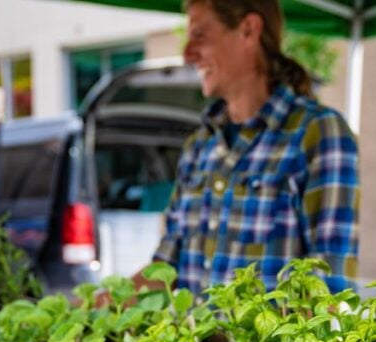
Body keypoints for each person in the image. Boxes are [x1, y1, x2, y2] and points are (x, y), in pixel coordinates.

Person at [122, 0, 359, 298]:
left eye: (199, 35)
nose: (187, 54)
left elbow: (330, 284)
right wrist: (91, 308)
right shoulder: (199, 146)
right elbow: (166, 267)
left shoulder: (317, 133)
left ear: (248, 29)